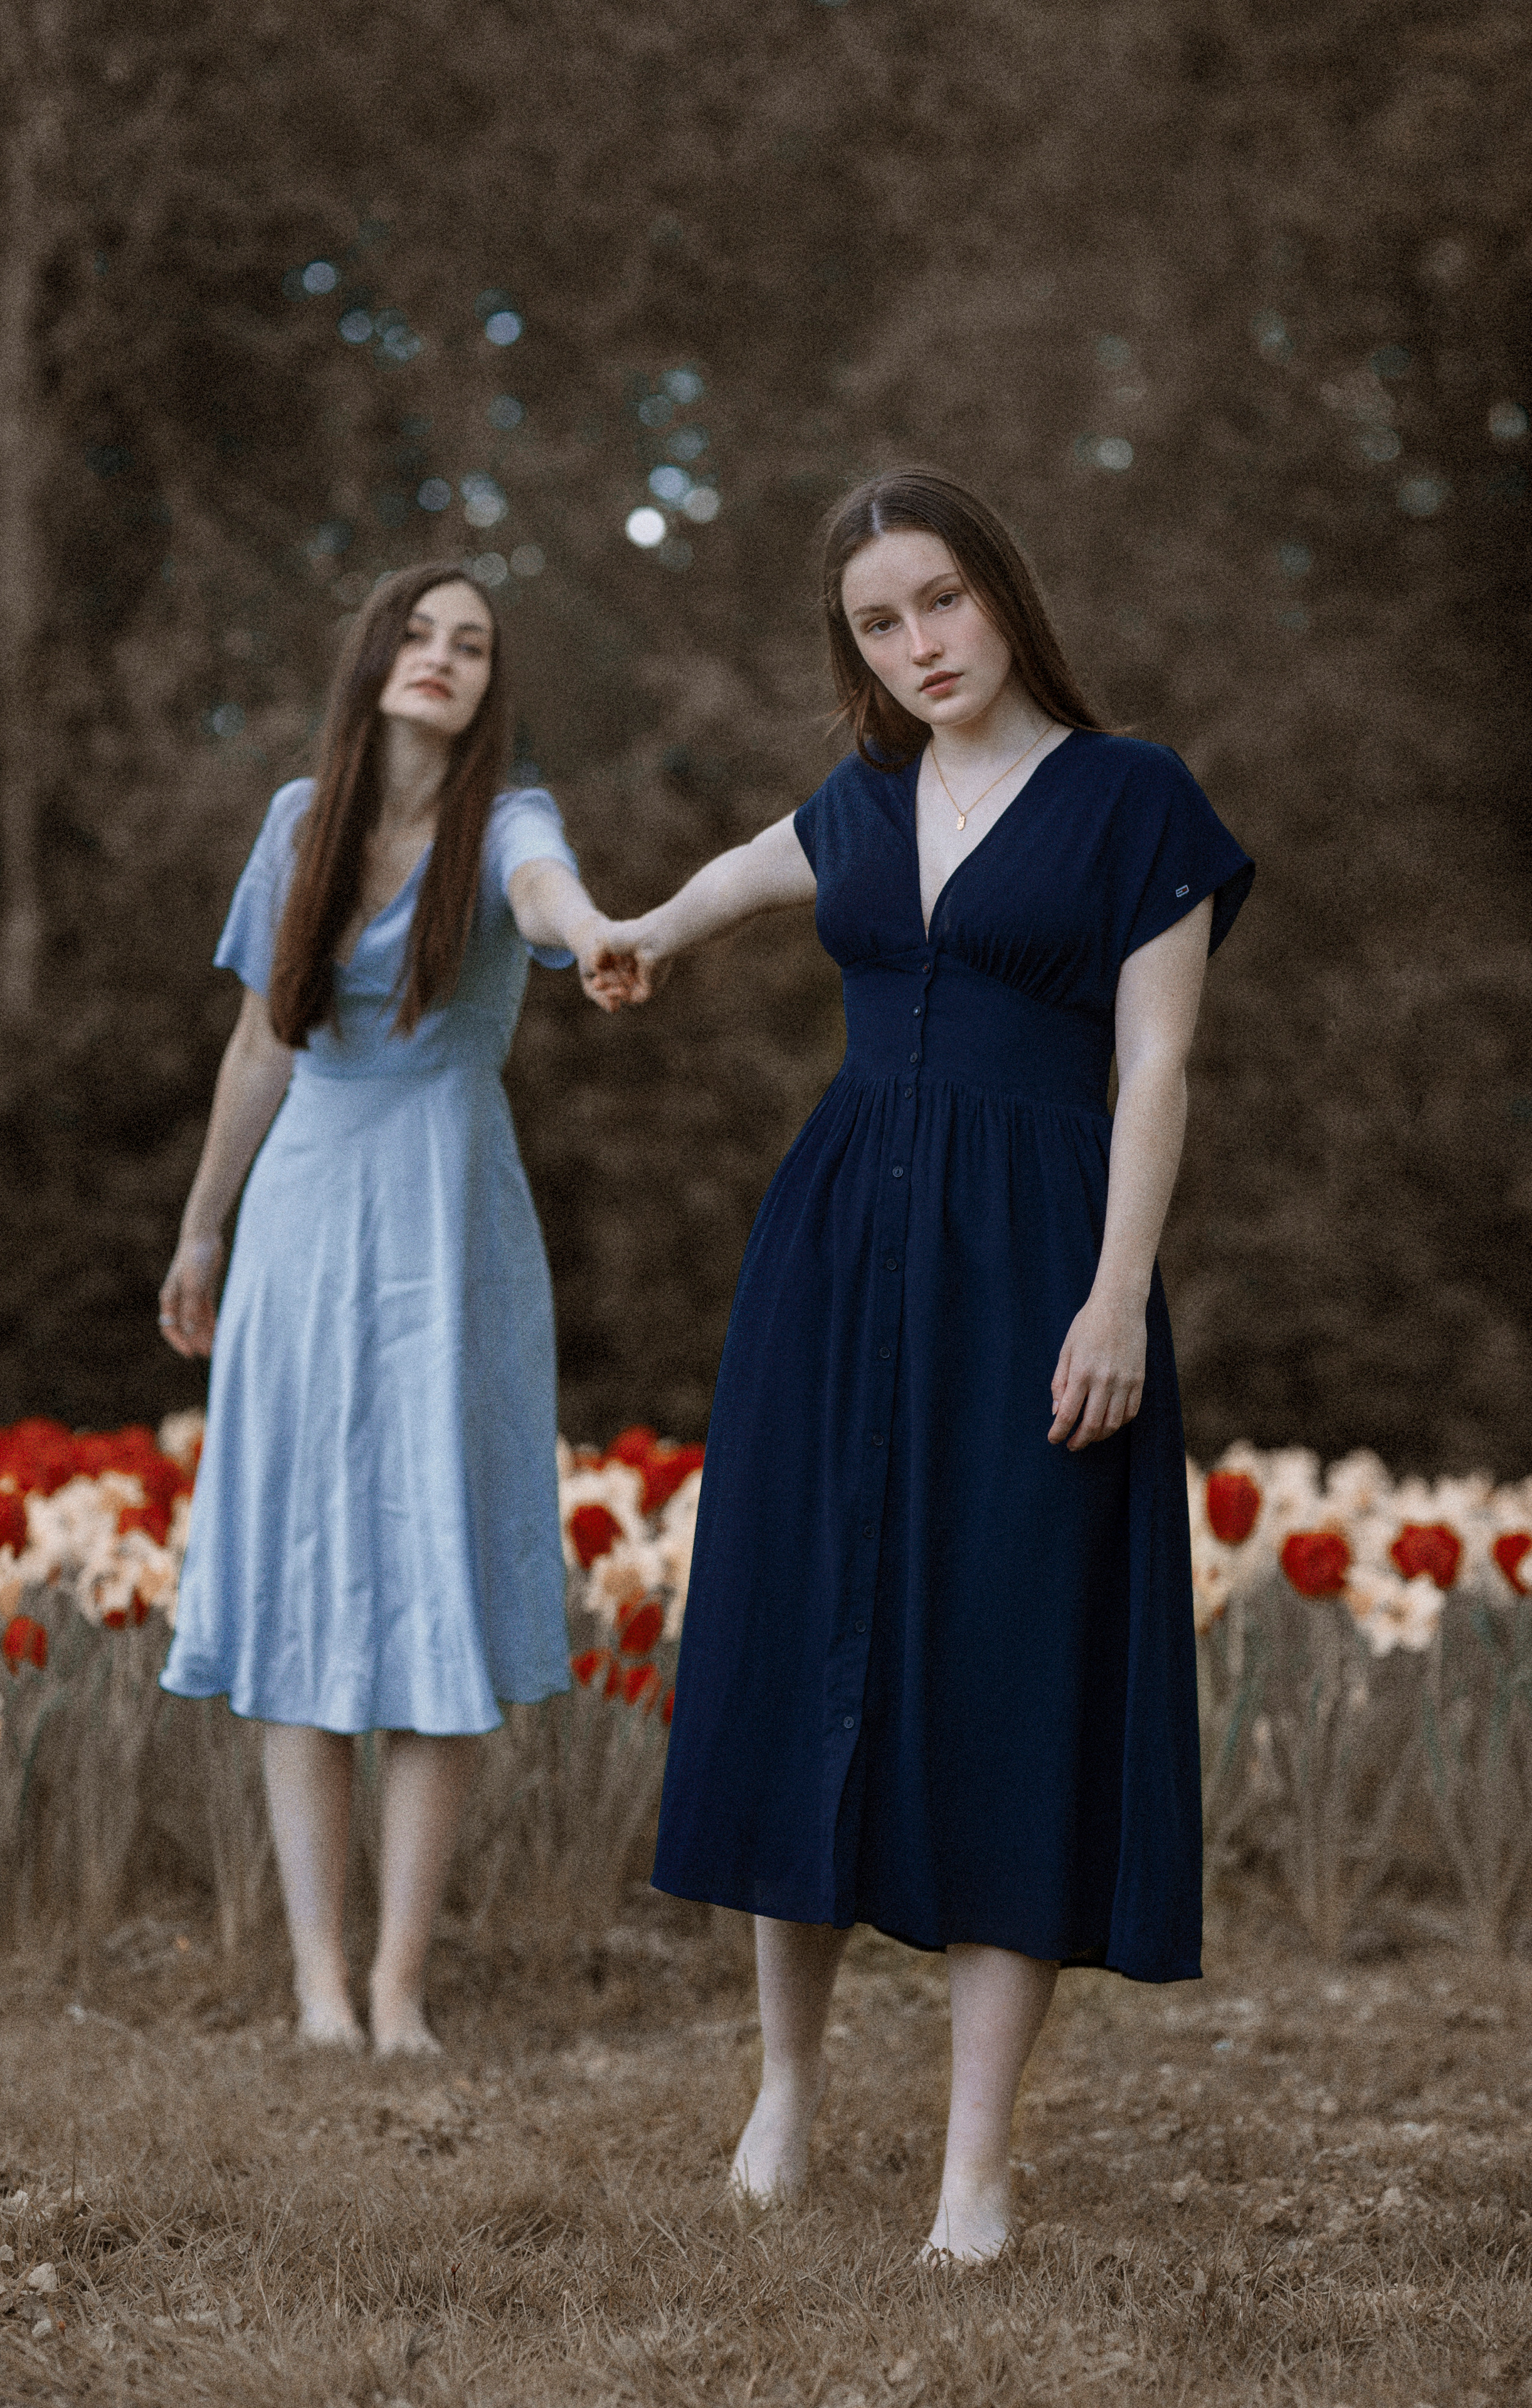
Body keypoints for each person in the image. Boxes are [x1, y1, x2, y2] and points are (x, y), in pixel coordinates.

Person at [595, 468, 1254, 2259]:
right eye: (879, 624)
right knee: (799, 1634)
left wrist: (1115, 1294)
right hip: (833, 1258)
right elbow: (742, 875)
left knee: (1008, 1667)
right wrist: (640, 932)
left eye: (941, 601)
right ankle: (784, 2093)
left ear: (1004, 596)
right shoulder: (866, 796)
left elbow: (1156, 1067)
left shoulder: (1134, 798)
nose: (918, 645)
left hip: (1036, 1263)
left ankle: (975, 2166)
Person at [159, 562, 626, 2056]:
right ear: (373, 660)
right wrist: (202, 1229)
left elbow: (550, 897)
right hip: (300, 1213)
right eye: (418, 634)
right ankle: (317, 1986)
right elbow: (260, 1043)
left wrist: (596, 932)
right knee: (297, 1583)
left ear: (490, 686)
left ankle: (398, 1987)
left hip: (446, 1218)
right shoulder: (300, 821)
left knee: (438, 1565)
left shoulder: (509, 825)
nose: (441, 657)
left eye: (469, 644)